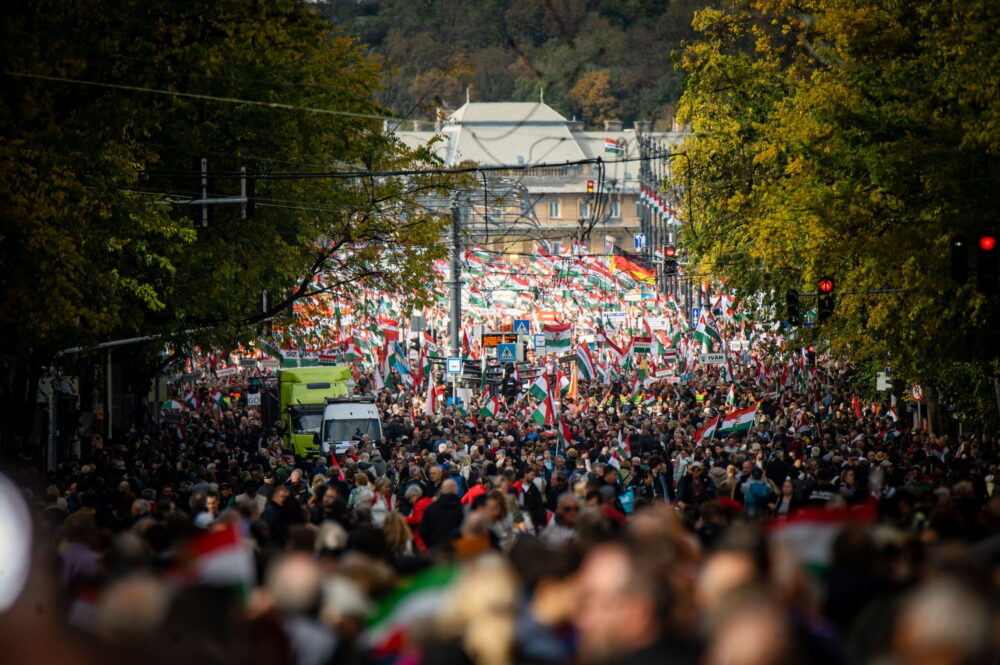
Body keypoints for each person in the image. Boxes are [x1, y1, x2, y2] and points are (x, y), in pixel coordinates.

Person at [418, 478, 464, 550]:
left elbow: (423, 529)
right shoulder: (461, 509)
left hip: (435, 547)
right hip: (455, 548)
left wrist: (430, 544)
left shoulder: (431, 508)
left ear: (442, 490)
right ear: (456, 490)